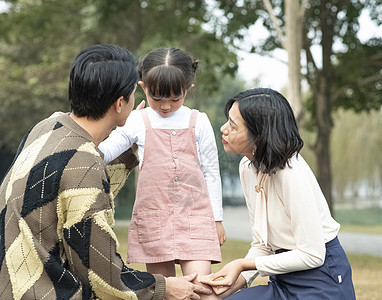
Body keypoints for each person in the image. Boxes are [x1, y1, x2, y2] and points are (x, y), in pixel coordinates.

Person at [0, 44, 212, 300]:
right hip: (44, 290)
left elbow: (79, 182)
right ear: (120, 103)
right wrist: (165, 288)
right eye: (135, 91)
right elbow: (103, 276)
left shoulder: (47, 128)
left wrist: (131, 147)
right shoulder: (83, 162)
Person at [201, 88, 356, 299]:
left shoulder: (291, 173)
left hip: (321, 281)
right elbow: (263, 245)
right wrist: (226, 288)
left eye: (233, 125)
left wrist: (242, 264)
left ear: (260, 136)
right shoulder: (247, 167)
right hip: (281, 280)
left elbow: (313, 255)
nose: (223, 128)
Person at [99, 47, 225, 299]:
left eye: (174, 98)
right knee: (165, 292)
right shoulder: (136, 121)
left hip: (196, 218)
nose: (166, 106)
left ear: (188, 87)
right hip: (154, 219)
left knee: (202, 291)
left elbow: (211, 171)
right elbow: (105, 151)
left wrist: (217, 219)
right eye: (157, 98)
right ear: (142, 87)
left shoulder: (198, 121)